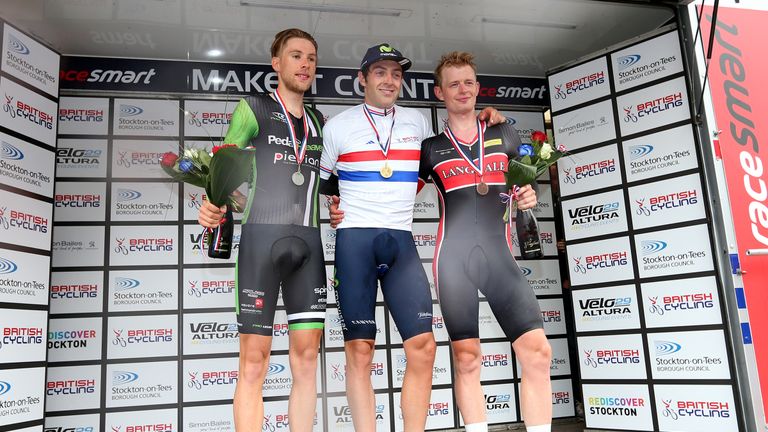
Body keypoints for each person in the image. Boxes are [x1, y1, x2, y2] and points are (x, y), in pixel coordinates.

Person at [320, 43, 506, 432]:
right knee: (360, 351)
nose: (389, 80)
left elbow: (445, 154)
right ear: (362, 79)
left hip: (401, 243)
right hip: (355, 243)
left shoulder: (418, 123)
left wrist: (491, 117)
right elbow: (320, 184)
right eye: (380, 72)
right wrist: (334, 205)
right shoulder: (337, 127)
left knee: (423, 349)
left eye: (396, 74)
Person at [197, 28, 326, 432]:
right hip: (260, 244)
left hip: (309, 245)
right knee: (254, 361)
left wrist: (338, 204)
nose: (305, 64)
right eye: (296, 56)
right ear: (276, 63)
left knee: (307, 360)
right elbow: (223, 170)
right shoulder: (252, 107)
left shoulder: (318, 120)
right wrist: (213, 202)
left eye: (311, 58)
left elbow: (329, 180)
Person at [417, 51, 552, 432]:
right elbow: (397, 197)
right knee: (467, 358)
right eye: (453, 84)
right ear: (440, 92)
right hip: (452, 261)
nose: (462, 90)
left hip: (498, 254)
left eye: (468, 82)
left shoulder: (504, 133)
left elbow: (526, 183)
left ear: (478, 87)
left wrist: (529, 194)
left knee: (538, 353)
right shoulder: (430, 149)